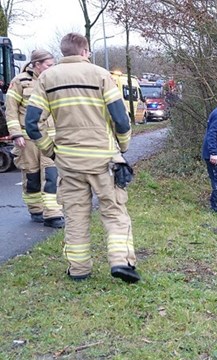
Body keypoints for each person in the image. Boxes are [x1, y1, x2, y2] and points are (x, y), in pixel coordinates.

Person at [24, 32, 139, 283]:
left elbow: (32, 123)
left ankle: (79, 269)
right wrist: (122, 146)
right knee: (115, 211)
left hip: (69, 162)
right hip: (103, 161)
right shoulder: (101, 75)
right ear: (85, 51)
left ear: (63, 52)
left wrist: (51, 151)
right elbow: (120, 119)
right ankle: (121, 261)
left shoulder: (46, 78)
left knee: (75, 215)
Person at [6, 49, 64, 228]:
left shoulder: (53, 81)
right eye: (48, 65)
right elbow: (11, 110)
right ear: (36, 64)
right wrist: (15, 134)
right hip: (27, 138)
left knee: (52, 176)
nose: (51, 68)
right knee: (32, 176)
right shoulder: (19, 82)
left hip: (49, 138)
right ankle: (36, 209)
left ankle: (53, 214)